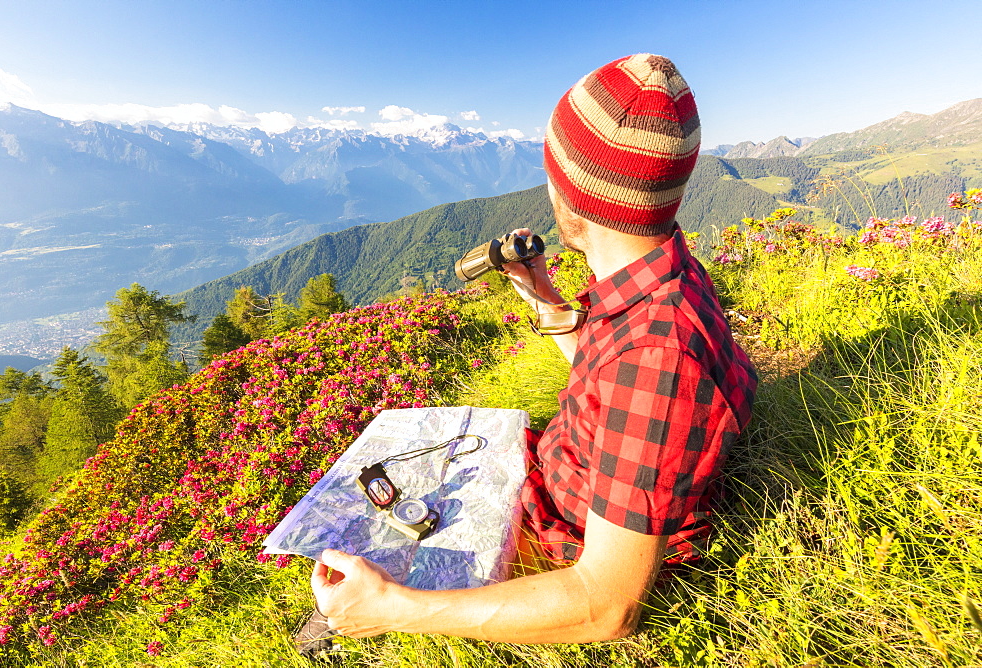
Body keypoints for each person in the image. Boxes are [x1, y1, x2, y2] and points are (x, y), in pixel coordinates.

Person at [302, 53, 757, 647]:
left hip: (559, 534)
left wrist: (395, 609)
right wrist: (540, 289)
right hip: (557, 474)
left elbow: (604, 606)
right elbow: (609, 382)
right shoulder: (661, 272)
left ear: (575, 191)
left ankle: (356, 625)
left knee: (362, 529)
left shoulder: (658, 356)